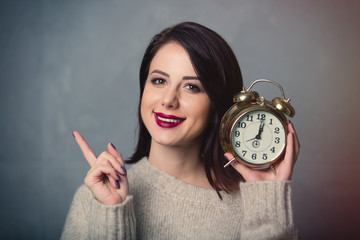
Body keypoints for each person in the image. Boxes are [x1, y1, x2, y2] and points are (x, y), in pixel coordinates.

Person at [61, 22, 300, 239]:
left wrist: (269, 201)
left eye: (192, 87)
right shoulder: (94, 200)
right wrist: (112, 216)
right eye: (159, 81)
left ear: (216, 105)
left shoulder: (258, 205)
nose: (168, 100)